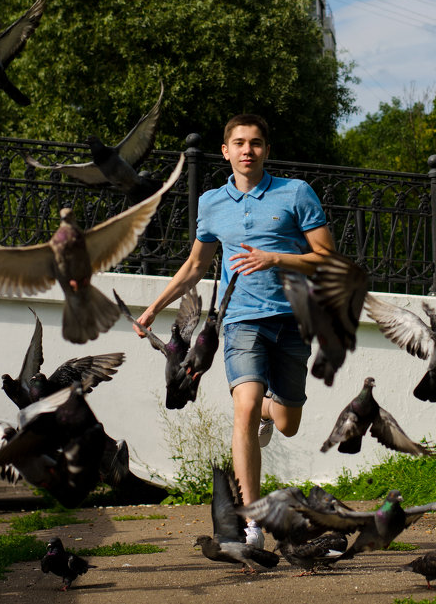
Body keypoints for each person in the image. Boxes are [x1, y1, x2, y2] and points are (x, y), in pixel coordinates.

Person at [135, 113, 334, 547]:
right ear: (225, 151)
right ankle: (252, 523)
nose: (248, 150)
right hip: (240, 319)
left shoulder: (295, 193)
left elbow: (326, 257)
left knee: (286, 423)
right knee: (242, 408)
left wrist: (276, 258)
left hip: (293, 320)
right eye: (239, 143)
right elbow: (195, 265)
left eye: (257, 143)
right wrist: (154, 308)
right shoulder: (211, 202)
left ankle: (269, 408)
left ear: (266, 150)